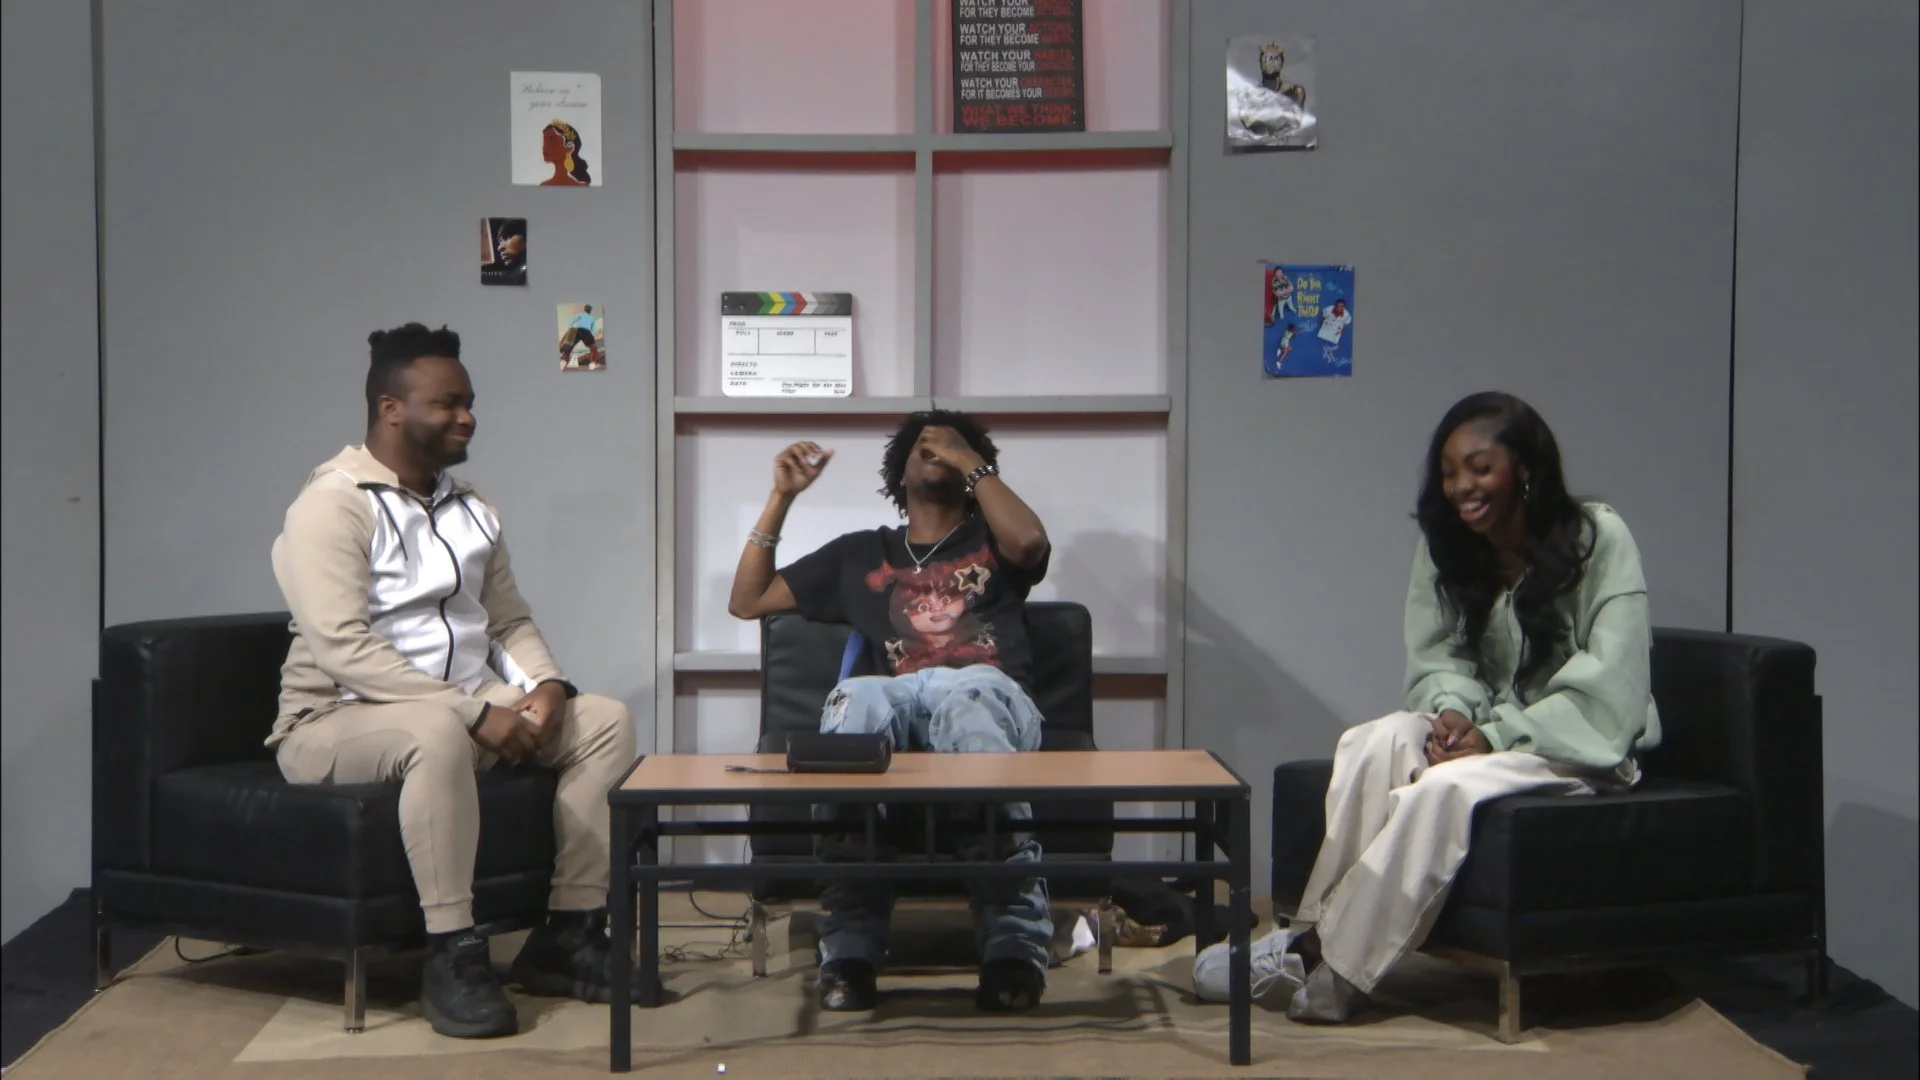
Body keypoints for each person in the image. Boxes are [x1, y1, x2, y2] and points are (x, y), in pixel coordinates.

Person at [1194, 390, 1660, 1021]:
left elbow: (1609, 683)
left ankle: (1334, 966)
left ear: (1525, 468)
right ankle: (1310, 938)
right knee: (1376, 739)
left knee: (1443, 789)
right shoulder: (1448, 542)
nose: (1462, 487)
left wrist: (1494, 736)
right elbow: (1439, 655)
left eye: (1480, 468)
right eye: (1448, 471)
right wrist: (1452, 714)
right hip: (1489, 733)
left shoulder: (1598, 537)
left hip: (1579, 744)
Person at [267, 322, 642, 1039]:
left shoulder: (472, 506)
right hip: (334, 721)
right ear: (390, 409)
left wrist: (549, 686)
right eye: (448, 403)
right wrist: (471, 711)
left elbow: (507, 620)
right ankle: (453, 953)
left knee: (604, 720)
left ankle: (568, 933)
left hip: (458, 710)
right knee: (436, 730)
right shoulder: (332, 503)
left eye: (469, 402)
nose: (467, 417)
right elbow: (344, 648)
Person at [726, 409, 1055, 1014]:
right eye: (923, 448)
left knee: (969, 697)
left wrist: (969, 460)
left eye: (951, 447)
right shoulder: (861, 554)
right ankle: (850, 952)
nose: (937, 451)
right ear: (899, 474)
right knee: (860, 698)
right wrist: (781, 498)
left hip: (987, 694)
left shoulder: (996, 542)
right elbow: (747, 600)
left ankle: (1012, 951)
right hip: (896, 702)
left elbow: (1031, 543)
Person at [540, 120, 592, 186]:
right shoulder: (543, 186)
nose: (544, 147)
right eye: (545, 141)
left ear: (569, 147)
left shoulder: (583, 188)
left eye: (552, 139)